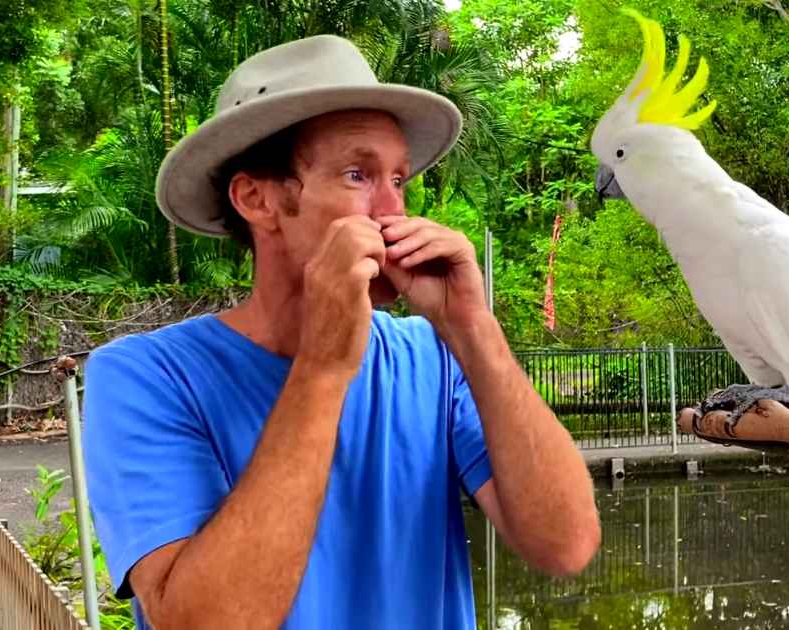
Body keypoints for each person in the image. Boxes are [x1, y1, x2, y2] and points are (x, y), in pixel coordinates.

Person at [82, 34, 600, 630]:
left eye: (399, 180)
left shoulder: (433, 357)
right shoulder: (144, 377)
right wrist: (324, 366)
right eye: (359, 175)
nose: (392, 211)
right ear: (258, 199)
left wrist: (475, 331)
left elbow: (567, 546)